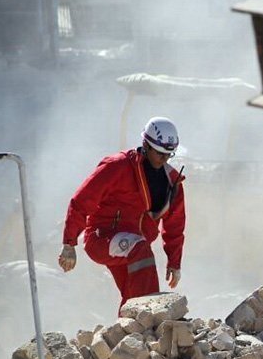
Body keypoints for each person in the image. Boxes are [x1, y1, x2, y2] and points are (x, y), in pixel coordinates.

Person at [58, 117, 186, 307]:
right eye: (160, 153)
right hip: (102, 239)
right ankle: (152, 315)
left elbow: (175, 225)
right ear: (146, 145)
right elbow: (82, 201)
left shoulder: (171, 181)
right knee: (140, 250)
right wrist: (69, 244)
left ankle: (131, 331)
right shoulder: (117, 166)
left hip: (131, 247)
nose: (164, 159)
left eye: (169, 154)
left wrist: (174, 263)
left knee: (132, 296)